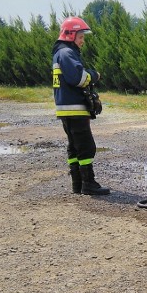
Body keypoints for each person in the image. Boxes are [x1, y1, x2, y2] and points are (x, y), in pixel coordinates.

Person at [52, 16, 109, 196]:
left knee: (75, 146)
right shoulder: (67, 54)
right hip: (74, 109)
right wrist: (94, 75)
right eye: (81, 37)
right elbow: (79, 78)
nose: (83, 41)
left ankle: (77, 184)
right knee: (86, 146)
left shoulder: (60, 53)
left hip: (66, 109)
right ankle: (88, 184)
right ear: (70, 35)